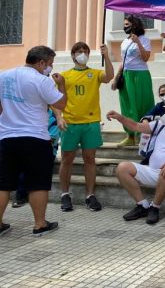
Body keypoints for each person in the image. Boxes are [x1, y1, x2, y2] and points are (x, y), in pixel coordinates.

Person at [0, 46, 67, 237]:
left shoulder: (4, 76)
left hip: (6, 137)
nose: (50, 68)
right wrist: (62, 86)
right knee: (38, 183)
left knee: (3, 183)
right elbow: (61, 104)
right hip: (35, 137)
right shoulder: (40, 80)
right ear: (41, 62)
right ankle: (39, 224)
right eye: (50, 64)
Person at [108, 99, 165, 225]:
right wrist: (120, 117)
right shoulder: (160, 125)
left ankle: (155, 207)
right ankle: (143, 205)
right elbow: (136, 126)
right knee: (122, 168)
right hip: (153, 171)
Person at [57, 42, 114, 213]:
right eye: (79, 51)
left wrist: (106, 56)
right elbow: (56, 101)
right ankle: (65, 194)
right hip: (70, 123)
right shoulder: (64, 76)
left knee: (90, 159)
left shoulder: (95, 73)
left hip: (91, 123)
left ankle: (90, 195)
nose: (83, 54)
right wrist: (59, 117)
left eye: (86, 51)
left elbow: (109, 76)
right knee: (67, 159)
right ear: (73, 55)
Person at [112, 15, 155, 146]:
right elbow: (123, 61)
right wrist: (116, 77)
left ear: (135, 25)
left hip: (140, 75)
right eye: (124, 25)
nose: (125, 27)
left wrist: (138, 43)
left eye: (127, 25)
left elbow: (146, 57)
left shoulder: (144, 39)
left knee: (142, 103)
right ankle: (130, 136)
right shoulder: (124, 42)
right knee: (128, 105)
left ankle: (143, 134)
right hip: (126, 75)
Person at [13, 108, 60, 208]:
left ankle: (30, 195)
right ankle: (20, 195)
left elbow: (52, 139)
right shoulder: (28, 114)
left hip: (48, 150)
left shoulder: (53, 117)